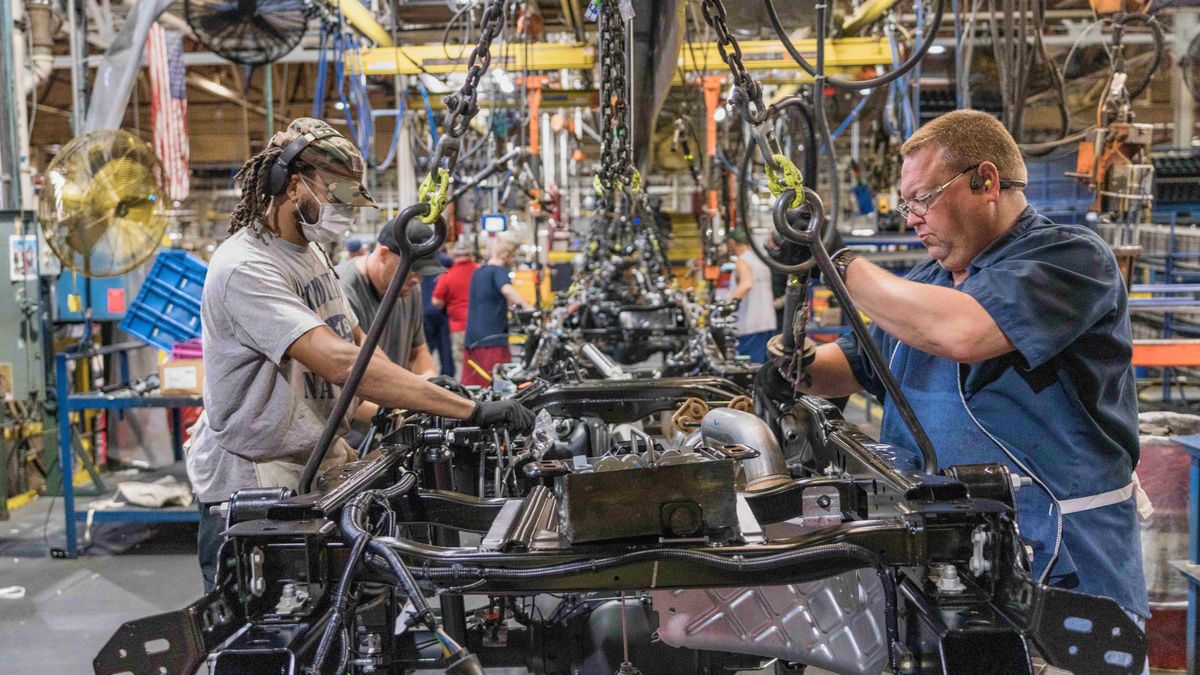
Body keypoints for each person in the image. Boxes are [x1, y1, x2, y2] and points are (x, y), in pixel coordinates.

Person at [789, 110, 1149, 624]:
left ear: (985, 181)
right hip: (948, 562)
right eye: (906, 202)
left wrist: (834, 261)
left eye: (922, 198)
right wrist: (796, 364)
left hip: (1062, 561)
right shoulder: (930, 280)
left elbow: (962, 332)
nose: (911, 217)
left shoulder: (1070, 259)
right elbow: (849, 364)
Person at [185, 118, 534, 590]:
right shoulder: (245, 267)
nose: (346, 209)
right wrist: (472, 409)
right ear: (291, 185)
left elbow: (360, 345)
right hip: (252, 482)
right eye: (336, 193)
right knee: (266, 641)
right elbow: (342, 364)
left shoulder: (312, 254)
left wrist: (427, 391)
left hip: (311, 464)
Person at [335, 218, 438, 376]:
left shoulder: (409, 290)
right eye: (412, 269)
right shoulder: (341, 291)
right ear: (384, 255)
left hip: (396, 396)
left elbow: (417, 352)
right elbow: (343, 375)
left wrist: (431, 384)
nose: (418, 279)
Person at [462, 238, 531, 386]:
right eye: (512, 256)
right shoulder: (499, 271)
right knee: (499, 385)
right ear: (505, 255)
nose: (513, 260)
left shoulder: (478, 272)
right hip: (491, 339)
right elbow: (507, 290)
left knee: (476, 386)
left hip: (473, 339)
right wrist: (528, 307)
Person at [725, 228, 777, 363]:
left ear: (731, 242)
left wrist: (726, 306)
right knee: (764, 367)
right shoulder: (760, 260)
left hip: (749, 324)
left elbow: (746, 284)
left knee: (748, 369)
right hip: (767, 322)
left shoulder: (742, 261)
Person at [433, 238, 480, 378]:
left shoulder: (447, 275)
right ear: (471, 254)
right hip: (480, 326)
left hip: (458, 327)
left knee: (462, 363)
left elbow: (436, 302)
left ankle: (468, 392)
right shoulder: (480, 271)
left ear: (454, 256)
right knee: (480, 362)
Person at [420, 249, 455, 376]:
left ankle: (424, 376)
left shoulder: (420, 261)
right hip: (441, 311)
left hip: (425, 311)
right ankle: (447, 379)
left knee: (424, 350)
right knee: (445, 349)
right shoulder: (445, 260)